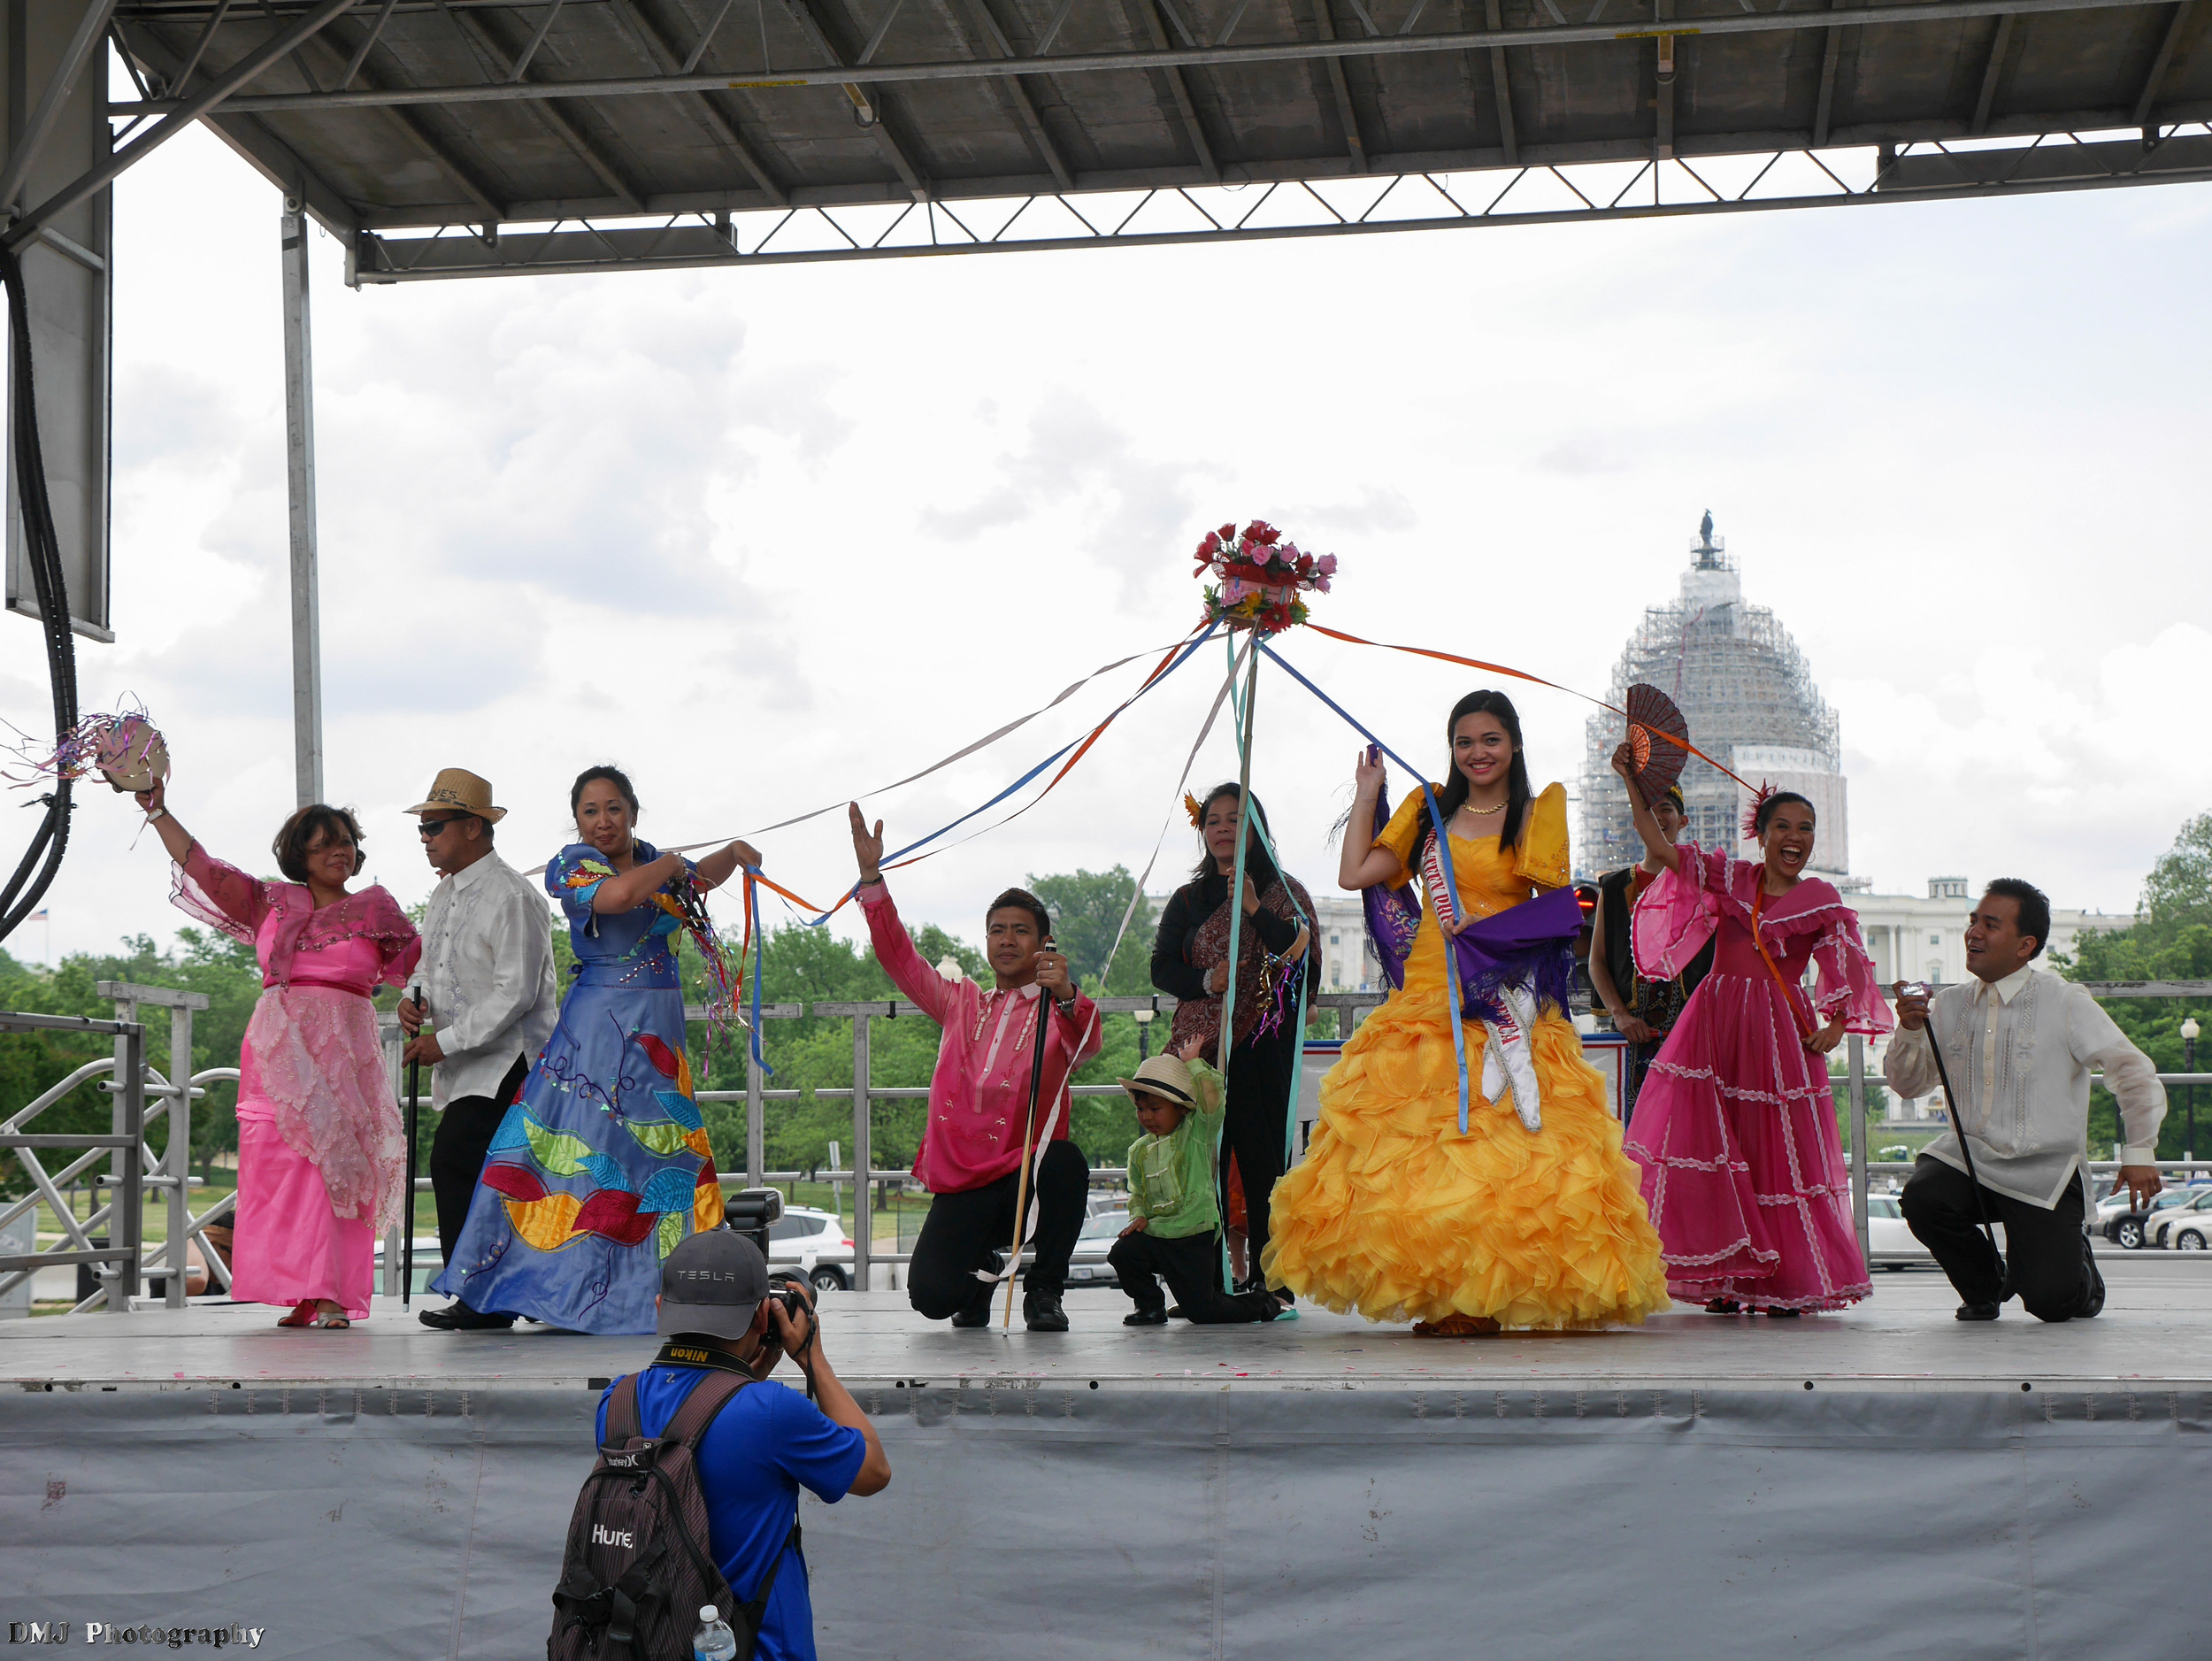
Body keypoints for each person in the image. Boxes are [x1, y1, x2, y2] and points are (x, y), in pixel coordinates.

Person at [1264, 692, 1671, 1334]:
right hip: (1426, 996)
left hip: (1504, 995)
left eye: (1490, 739)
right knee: (1422, 1148)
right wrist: (1368, 790)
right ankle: (1448, 1294)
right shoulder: (1428, 811)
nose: (1477, 753)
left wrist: (1494, 925)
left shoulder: (1538, 812)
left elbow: (1561, 911)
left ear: (1513, 743)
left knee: (1505, 1147)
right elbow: (1355, 873)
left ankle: (1493, 1293)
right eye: (1464, 741)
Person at [434, 765, 756, 1334]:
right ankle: (498, 1291)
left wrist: (733, 852)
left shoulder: (657, 858)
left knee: (654, 1159)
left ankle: (650, 1295)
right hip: (597, 1033)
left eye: (613, 808)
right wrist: (673, 866)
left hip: (657, 1032)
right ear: (578, 820)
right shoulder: (573, 866)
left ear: (633, 811)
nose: (603, 821)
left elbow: (698, 878)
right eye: (590, 811)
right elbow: (620, 897)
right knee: (558, 1154)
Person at [1613, 749, 1891, 1314]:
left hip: (1782, 1037)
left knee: (1782, 1159)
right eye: (1783, 826)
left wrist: (1836, 1024)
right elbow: (1661, 847)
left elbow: (1849, 967)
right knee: (1715, 1146)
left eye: (1806, 828)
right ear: (1760, 836)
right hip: (1714, 1026)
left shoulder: (1823, 900)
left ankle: (1788, 1283)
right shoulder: (1730, 878)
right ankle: (1728, 1280)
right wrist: (1630, 782)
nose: (1795, 837)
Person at [134, 781, 419, 1328]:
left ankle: (332, 1294)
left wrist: (415, 1001)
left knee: (335, 1169)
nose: (340, 852)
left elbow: (424, 965)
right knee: (285, 1171)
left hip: (346, 1050)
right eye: (323, 845)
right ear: (299, 856)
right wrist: (157, 808)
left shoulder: (377, 910)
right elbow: (203, 867)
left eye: (346, 842)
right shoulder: (269, 901)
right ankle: (298, 1292)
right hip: (281, 1046)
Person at [848, 803, 1101, 1332]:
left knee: (1066, 1163)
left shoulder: (1058, 1008)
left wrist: (1068, 994)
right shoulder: (960, 1002)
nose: (1008, 940)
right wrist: (873, 881)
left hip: (1024, 1175)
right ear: (986, 941)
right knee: (933, 1298)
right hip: (963, 1183)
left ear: (1043, 943)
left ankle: (1045, 1293)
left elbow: (1088, 1041)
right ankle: (982, 1276)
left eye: (1021, 931)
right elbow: (901, 959)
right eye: (997, 930)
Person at [594, 1228, 889, 1661]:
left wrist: (739, 1382)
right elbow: (874, 1472)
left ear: (661, 1310)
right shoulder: (773, 1412)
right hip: (756, 1647)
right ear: (761, 1318)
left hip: (649, 1643)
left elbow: (694, 1434)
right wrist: (811, 1359)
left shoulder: (617, 1402)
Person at [1886, 879, 2165, 1322]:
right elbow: (1907, 1086)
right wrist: (1911, 1031)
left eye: (1990, 924)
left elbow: (2132, 1070)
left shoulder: (2064, 1001)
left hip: (2045, 1170)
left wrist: (2140, 1151)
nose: (1973, 932)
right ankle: (1986, 1285)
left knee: (2052, 1305)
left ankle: (2077, 1269)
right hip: (1971, 1163)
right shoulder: (1949, 1005)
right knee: (1922, 1196)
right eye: (1973, 921)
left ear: (2025, 944)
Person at [395, 769, 560, 1332]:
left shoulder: (513, 896)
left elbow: (516, 994)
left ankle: (482, 1295)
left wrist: (440, 1041)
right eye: (422, 827)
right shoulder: (444, 892)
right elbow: (426, 966)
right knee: (487, 1173)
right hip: (468, 1061)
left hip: (512, 1060)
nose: (425, 837)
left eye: (434, 826)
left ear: (473, 827)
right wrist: (409, 1002)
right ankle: (492, 1294)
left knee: (459, 1160)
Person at [1149, 784, 1316, 1297]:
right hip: (1203, 1047)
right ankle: (1207, 1280)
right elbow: (1161, 968)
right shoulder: (1187, 898)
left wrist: (1251, 907)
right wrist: (1206, 982)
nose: (1223, 827)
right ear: (1203, 832)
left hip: (1264, 1043)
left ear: (1257, 829)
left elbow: (1299, 960)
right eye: (1214, 820)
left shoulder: (1285, 892)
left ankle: (1273, 1279)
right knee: (1202, 1160)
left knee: (1263, 1160)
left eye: (1236, 819)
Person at [1109, 1051, 1283, 1326]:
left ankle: (1261, 1303)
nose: (1147, 1117)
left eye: (1156, 1109)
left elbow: (1213, 1103)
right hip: (1157, 1233)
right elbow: (1138, 1193)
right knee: (1122, 1253)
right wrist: (1139, 1215)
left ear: (1181, 1108)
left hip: (1192, 1236)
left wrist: (1193, 1063)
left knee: (1202, 1312)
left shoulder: (1197, 1134)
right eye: (1141, 1109)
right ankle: (1149, 1305)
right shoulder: (1138, 1151)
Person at [1588, 782, 1712, 1126]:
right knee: (1629, 1131)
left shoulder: (1704, 885)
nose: (1658, 818)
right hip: (1629, 1032)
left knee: (1689, 1131)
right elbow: (1597, 961)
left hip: (1691, 1032)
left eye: (1666, 809)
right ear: (1637, 822)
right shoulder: (1614, 886)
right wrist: (1621, 1016)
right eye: (1649, 811)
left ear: (1682, 821)